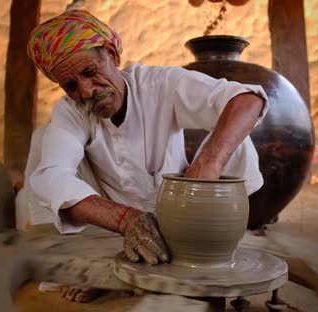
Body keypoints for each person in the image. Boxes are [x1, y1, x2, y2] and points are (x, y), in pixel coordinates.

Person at [16, 9, 268, 302]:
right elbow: (53, 176)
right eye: (71, 85)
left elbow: (247, 98)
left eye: (89, 72)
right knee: (43, 144)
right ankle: (100, 266)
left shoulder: (160, 84)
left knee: (234, 134)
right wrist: (125, 219)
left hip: (180, 212)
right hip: (114, 227)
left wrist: (208, 162)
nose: (86, 91)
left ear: (112, 54)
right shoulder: (70, 112)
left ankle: (207, 253)